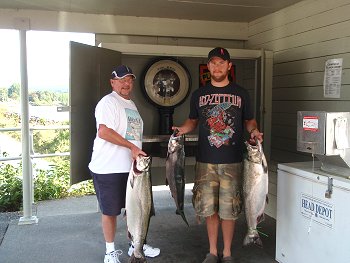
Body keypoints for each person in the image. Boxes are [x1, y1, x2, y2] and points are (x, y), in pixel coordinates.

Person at [173, 47, 263, 263]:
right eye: (213, 63)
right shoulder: (199, 94)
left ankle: (228, 253)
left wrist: (254, 131)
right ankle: (213, 252)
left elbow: (249, 120)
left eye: (221, 63)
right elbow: (193, 120)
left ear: (229, 66)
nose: (217, 67)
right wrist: (182, 130)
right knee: (210, 210)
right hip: (206, 162)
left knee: (229, 209)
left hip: (233, 161)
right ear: (208, 66)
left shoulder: (241, 93)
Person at [88, 65, 160, 263]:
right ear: (113, 82)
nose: (126, 83)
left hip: (130, 169)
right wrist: (132, 148)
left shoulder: (131, 104)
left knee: (135, 209)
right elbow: (103, 131)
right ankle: (109, 252)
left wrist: (135, 151)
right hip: (108, 168)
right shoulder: (108, 102)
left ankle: (136, 244)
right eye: (121, 80)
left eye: (129, 80)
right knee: (110, 211)